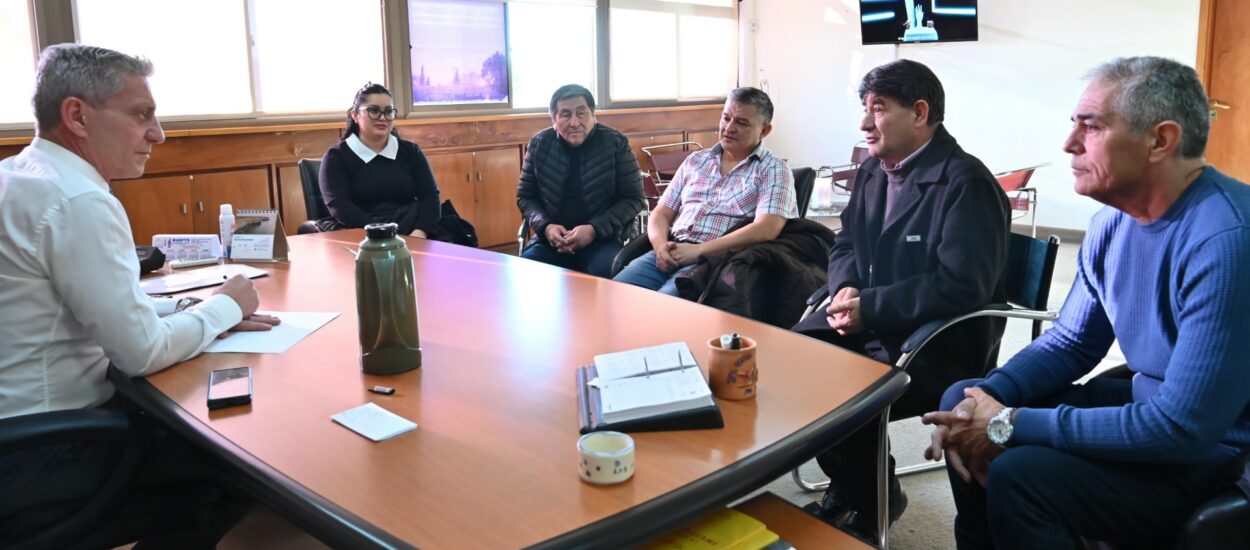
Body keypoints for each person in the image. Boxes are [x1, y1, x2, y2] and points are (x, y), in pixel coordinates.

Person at [923, 56, 1250, 549]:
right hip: (1158, 409)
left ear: (1160, 140)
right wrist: (990, 401)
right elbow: (1073, 341)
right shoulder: (1112, 224)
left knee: (1021, 473)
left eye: (1090, 126)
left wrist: (1011, 422)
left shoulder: (1227, 239)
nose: (1069, 143)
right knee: (963, 400)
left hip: (1221, 452)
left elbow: (1184, 429)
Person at [0, 44, 277, 546]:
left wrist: (197, 307)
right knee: (242, 460)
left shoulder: (19, 179)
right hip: (39, 454)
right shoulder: (77, 200)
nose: (159, 134)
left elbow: (87, 306)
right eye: (141, 114)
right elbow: (142, 351)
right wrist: (228, 304)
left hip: (17, 435)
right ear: (77, 116)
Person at [793, 59, 1009, 539]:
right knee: (795, 359)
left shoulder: (965, 183)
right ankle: (856, 482)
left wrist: (870, 306)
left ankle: (871, 508)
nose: (865, 123)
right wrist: (847, 287)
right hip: (876, 320)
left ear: (919, 112)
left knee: (843, 385)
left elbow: (962, 285)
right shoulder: (874, 170)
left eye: (877, 109)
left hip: (938, 339)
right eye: (864, 109)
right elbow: (846, 240)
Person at [613, 87, 797, 295]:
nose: (729, 128)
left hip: (719, 259)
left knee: (664, 307)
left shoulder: (773, 169)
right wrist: (661, 247)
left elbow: (766, 228)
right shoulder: (696, 160)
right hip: (672, 249)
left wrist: (698, 251)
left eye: (741, 122)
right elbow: (661, 212)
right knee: (615, 295)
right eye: (726, 118)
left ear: (764, 130)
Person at [516, 84, 645, 277]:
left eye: (581, 113)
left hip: (603, 240)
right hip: (552, 241)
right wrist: (546, 227)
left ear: (593, 115)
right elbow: (526, 196)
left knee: (603, 282)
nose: (574, 122)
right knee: (524, 274)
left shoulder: (615, 143)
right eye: (565, 114)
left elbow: (634, 199)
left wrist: (594, 229)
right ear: (554, 119)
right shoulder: (539, 144)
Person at [316, 82, 440, 237]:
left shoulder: (411, 151)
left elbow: (430, 196)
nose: (383, 118)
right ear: (355, 115)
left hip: (412, 230)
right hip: (362, 233)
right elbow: (339, 206)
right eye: (373, 111)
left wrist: (420, 232)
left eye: (388, 111)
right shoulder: (337, 156)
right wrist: (383, 233)